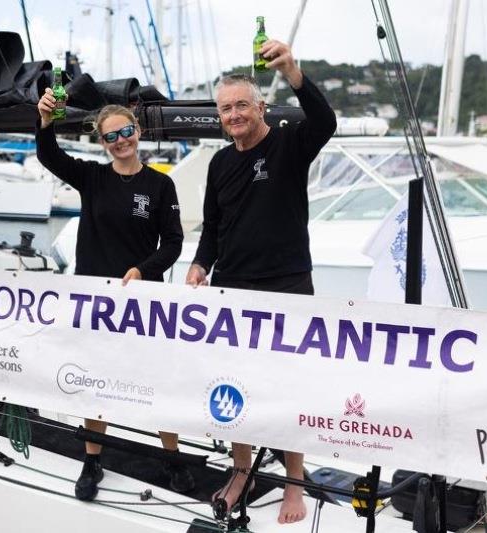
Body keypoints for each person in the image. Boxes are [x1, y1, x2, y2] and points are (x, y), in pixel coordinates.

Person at [185, 39, 336, 524]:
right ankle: (242, 470)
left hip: (288, 286)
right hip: (233, 288)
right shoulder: (219, 162)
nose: (234, 115)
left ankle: (295, 484)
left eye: (242, 105)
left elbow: (327, 122)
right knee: (234, 382)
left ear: (261, 106)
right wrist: (199, 265)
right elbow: (213, 224)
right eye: (226, 108)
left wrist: (292, 68)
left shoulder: (290, 142)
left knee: (288, 386)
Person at [36, 89, 194, 501]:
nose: (120, 140)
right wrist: (46, 121)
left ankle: (172, 457)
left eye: (126, 131)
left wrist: (144, 270)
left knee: (156, 382)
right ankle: (92, 462)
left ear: (137, 131)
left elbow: (174, 243)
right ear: (102, 143)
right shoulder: (92, 177)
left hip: (143, 302)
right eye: (111, 137)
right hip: (97, 301)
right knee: (95, 382)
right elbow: (50, 157)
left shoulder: (161, 185)